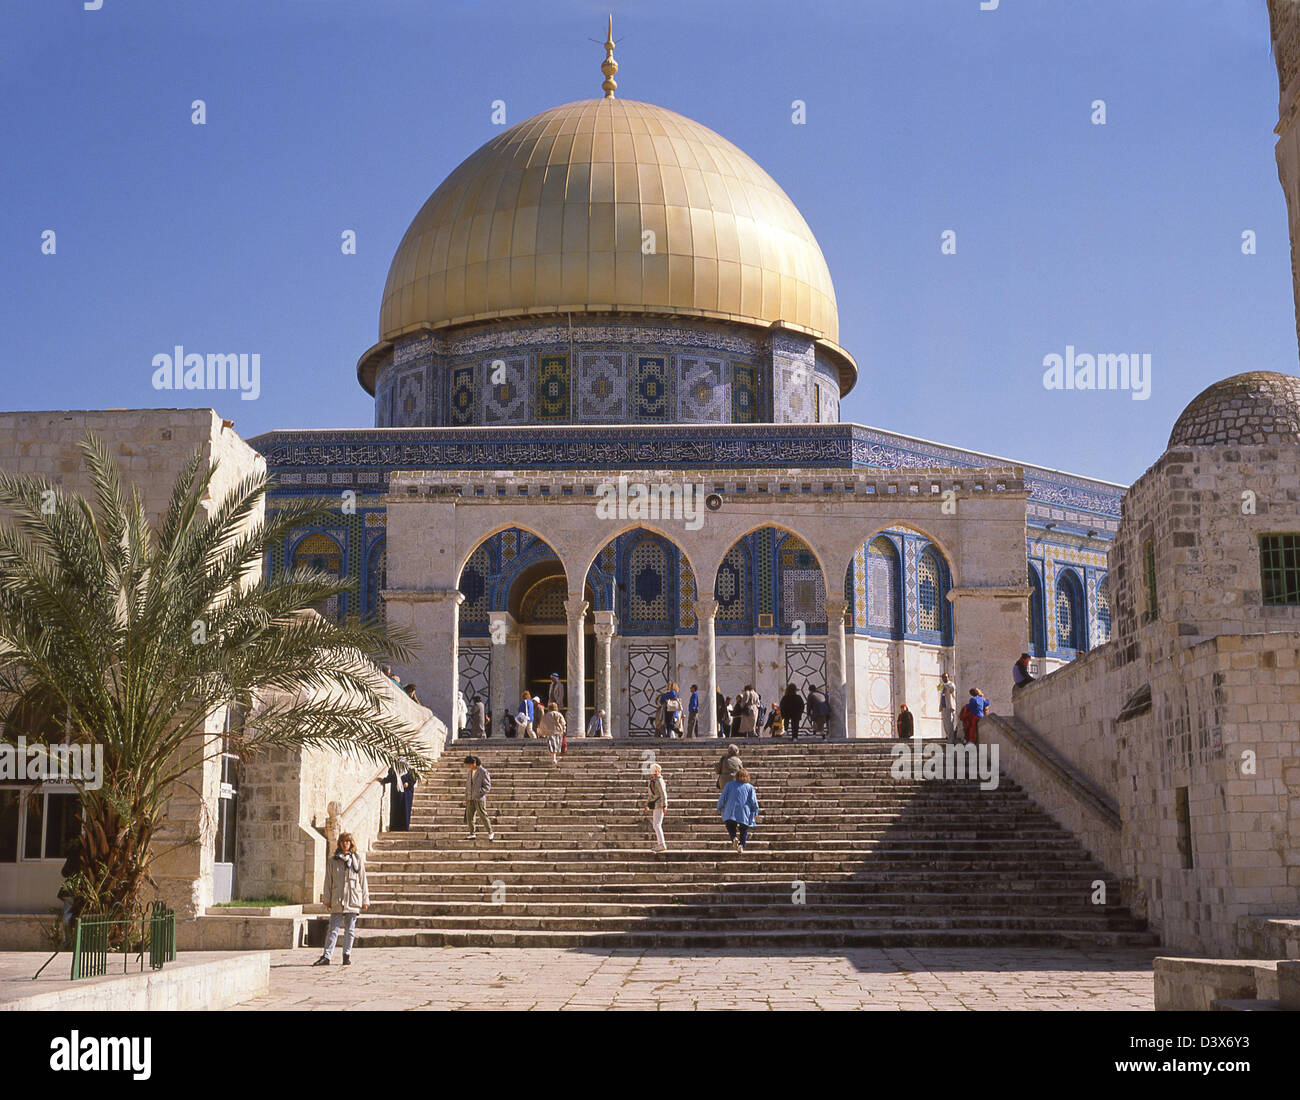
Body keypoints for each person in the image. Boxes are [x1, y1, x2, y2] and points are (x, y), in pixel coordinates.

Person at [313, 832, 368, 966]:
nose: (345, 844)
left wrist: (365, 900)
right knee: (333, 928)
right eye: (343, 841)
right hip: (337, 899)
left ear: (351, 844)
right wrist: (327, 899)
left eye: (347, 842)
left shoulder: (357, 860)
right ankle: (327, 956)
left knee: (350, 930)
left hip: (352, 898)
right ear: (340, 843)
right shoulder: (332, 861)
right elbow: (328, 881)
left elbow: (363, 880)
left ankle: (346, 955)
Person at [717, 767, 760, 853]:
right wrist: (755, 810)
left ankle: (734, 838)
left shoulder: (729, 785)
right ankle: (741, 845)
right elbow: (753, 800)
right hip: (744, 811)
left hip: (730, 810)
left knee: (730, 825)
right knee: (744, 829)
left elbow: (723, 797)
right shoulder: (750, 787)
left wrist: (719, 807)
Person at [378, 759, 417, 831]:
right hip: (396, 793)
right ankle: (394, 827)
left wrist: (408, 783)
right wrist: (383, 780)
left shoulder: (410, 769)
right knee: (395, 809)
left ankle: (404, 827)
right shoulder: (394, 769)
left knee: (405, 809)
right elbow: (390, 778)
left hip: (406, 794)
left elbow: (414, 778)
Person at [463, 755, 494, 840]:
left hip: (479, 798)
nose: (468, 766)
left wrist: (479, 793)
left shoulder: (483, 772)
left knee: (483, 815)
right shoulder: (470, 772)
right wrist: (466, 798)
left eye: (469, 764)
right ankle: (472, 833)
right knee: (470, 817)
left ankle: (490, 832)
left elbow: (487, 786)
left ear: (474, 763)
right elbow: (467, 785)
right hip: (470, 798)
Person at [643, 762, 669, 854]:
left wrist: (664, 805)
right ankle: (660, 843)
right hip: (655, 805)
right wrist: (647, 804)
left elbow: (663, 793)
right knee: (656, 824)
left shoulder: (659, 781)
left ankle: (661, 844)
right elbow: (651, 795)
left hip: (659, 805)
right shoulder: (653, 781)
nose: (653, 774)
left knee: (657, 825)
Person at [539, 701, 566, 765]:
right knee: (557, 745)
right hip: (559, 732)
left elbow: (542, 724)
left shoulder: (546, 715)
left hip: (550, 732)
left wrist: (543, 732)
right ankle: (554, 758)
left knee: (552, 746)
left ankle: (553, 758)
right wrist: (564, 730)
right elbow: (563, 723)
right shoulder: (559, 714)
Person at [937, 672, 958, 744]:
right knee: (945, 723)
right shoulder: (942, 685)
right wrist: (941, 686)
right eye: (943, 677)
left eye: (945, 677)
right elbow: (938, 689)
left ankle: (951, 738)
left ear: (948, 677)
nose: (944, 678)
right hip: (943, 706)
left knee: (950, 722)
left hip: (949, 706)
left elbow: (952, 689)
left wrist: (945, 686)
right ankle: (948, 736)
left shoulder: (951, 684)